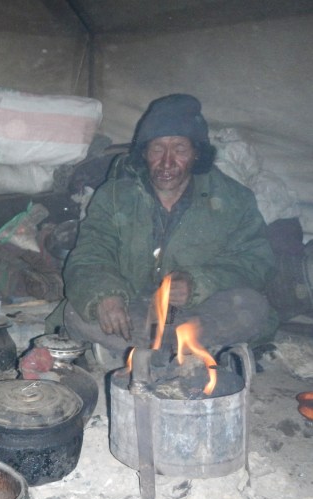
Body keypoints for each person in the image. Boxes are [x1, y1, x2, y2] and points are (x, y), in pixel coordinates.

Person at [46, 93, 277, 365]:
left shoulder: (234, 199)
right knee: (76, 311)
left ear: (197, 153)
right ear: (144, 153)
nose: (167, 162)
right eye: (157, 149)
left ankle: (142, 356)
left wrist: (199, 283)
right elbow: (89, 254)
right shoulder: (114, 196)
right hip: (133, 309)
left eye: (179, 149)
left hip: (198, 312)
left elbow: (257, 263)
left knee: (252, 307)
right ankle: (183, 356)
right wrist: (105, 295)